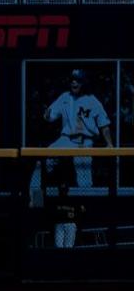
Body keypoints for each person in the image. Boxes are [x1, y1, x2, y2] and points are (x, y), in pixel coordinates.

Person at [31, 67, 113, 198]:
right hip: (65, 139)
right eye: (72, 80)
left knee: (84, 181)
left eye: (78, 80)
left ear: (84, 82)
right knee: (41, 163)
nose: (74, 83)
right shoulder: (65, 97)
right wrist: (47, 114)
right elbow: (50, 116)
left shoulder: (92, 100)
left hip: (84, 141)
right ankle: (36, 202)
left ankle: (86, 211)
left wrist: (109, 144)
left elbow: (104, 124)